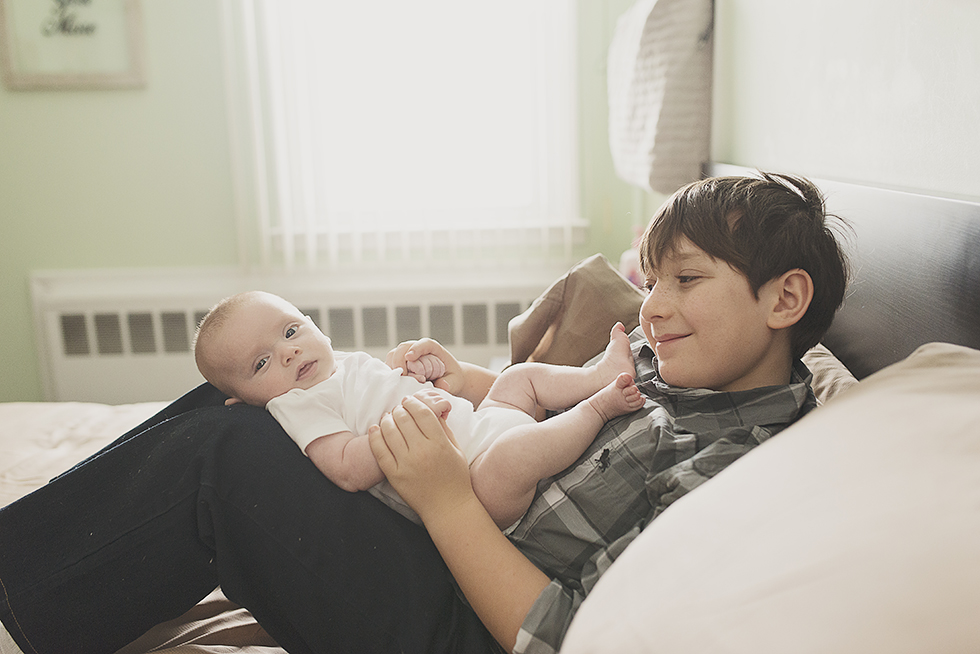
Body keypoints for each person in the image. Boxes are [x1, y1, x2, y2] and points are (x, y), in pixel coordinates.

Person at [0, 172, 849, 654]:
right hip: (460, 533)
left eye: (686, 280)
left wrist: (442, 496)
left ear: (786, 299)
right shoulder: (677, 371)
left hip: (469, 623)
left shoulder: (732, 463)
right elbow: (532, 399)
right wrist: (467, 379)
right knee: (259, 397)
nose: (654, 307)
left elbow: (564, 636)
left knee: (229, 453)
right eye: (651, 278)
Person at [192, 290, 644, 528]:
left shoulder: (340, 365)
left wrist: (420, 370)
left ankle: (594, 378)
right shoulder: (297, 404)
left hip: (485, 423)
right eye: (262, 363)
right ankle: (598, 409)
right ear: (242, 402)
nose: (287, 353)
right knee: (513, 456)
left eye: (290, 332)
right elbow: (347, 468)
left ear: (314, 325)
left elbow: (403, 387)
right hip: (474, 483)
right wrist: (406, 420)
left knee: (515, 377)